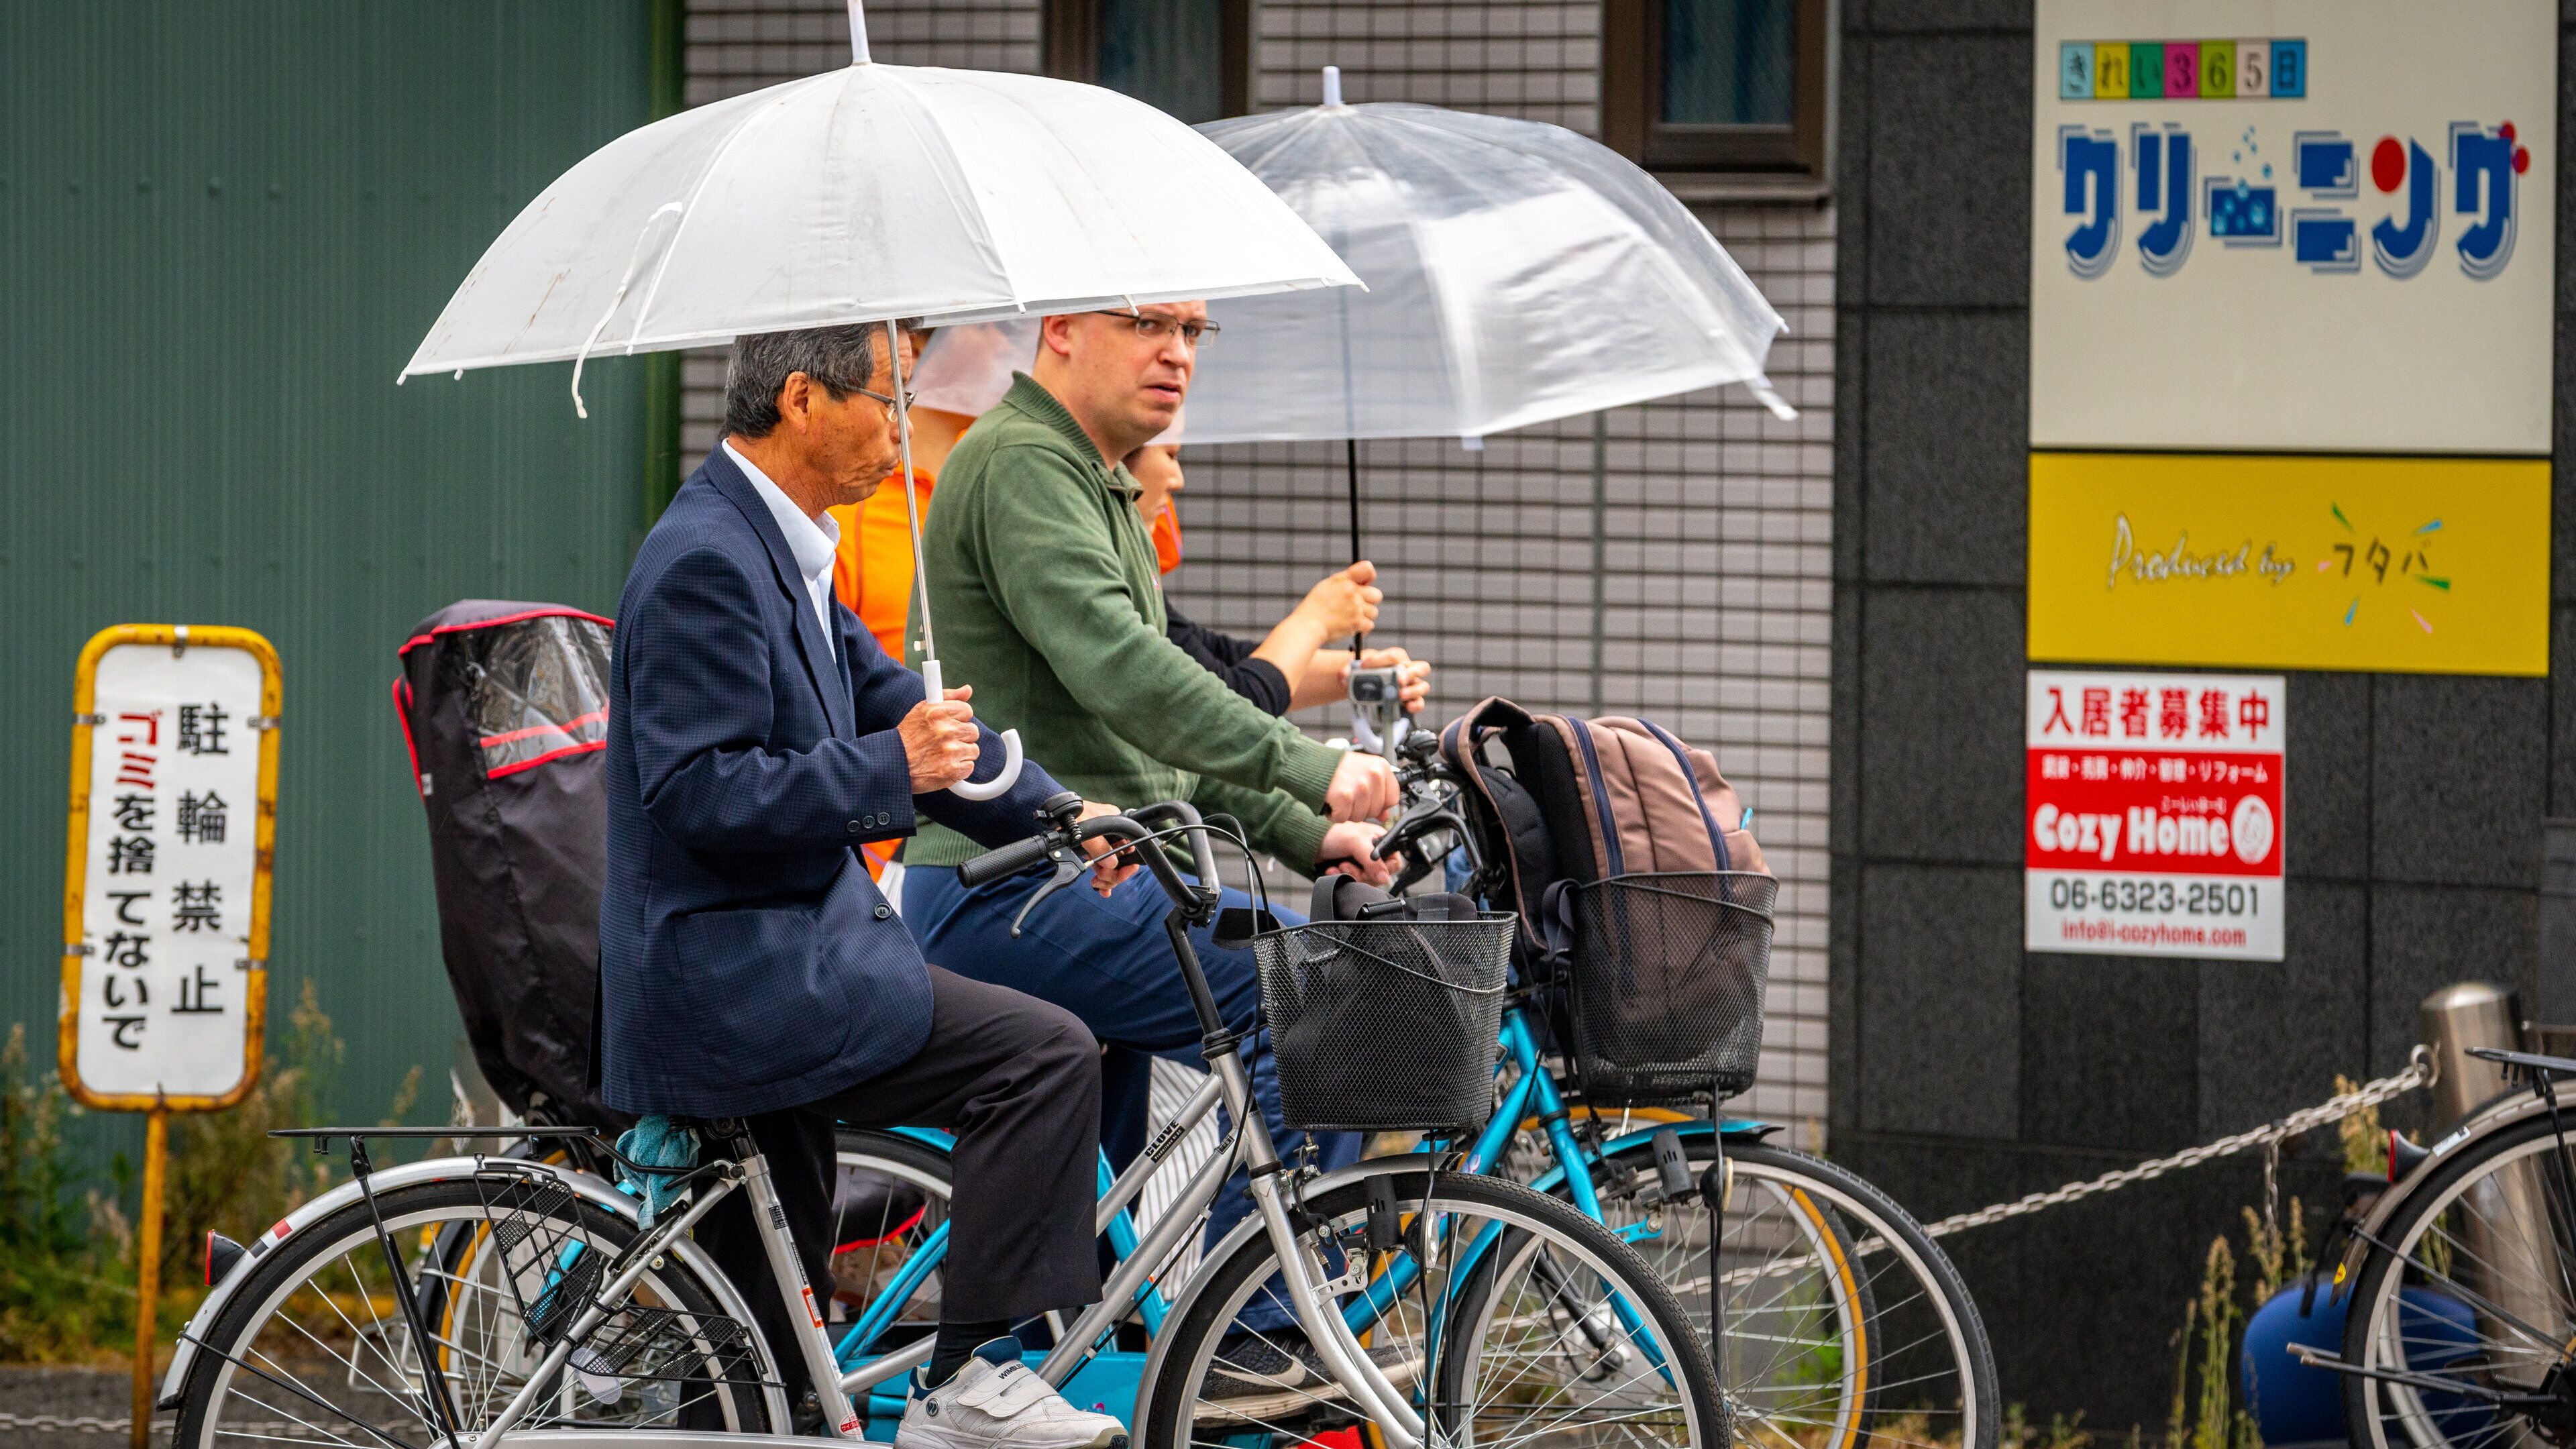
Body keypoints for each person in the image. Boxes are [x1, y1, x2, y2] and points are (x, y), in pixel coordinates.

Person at [598, 321, 1134, 1449]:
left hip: (775, 956)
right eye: (887, 401)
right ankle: (977, 1375)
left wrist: (1058, 812)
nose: (904, 426)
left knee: (757, 1359)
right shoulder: (710, 556)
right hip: (741, 974)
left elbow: (895, 703)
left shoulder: (782, 542)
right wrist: (895, 768)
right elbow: (700, 791)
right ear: (802, 399)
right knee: (1043, 1057)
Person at [898, 303, 1402, 1381]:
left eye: (1195, 332)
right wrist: (1310, 767)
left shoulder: (1099, 478)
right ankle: (1258, 1344)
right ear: (1066, 329)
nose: (1178, 353)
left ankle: (1055, 1363)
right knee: (1316, 1006)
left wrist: (1309, 833)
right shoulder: (1026, 465)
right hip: (1011, 889)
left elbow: (1156, 749)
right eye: (1149, 324)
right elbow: (1124, 671)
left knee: (1082, 1220)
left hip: (1089, 881)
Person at [1122, 441, 1431, 718]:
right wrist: (1315, 621)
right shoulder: (1116, 574)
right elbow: (1233, 709)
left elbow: (1216, 659)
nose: (1179, 479)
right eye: (1172, 455)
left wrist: (1361, 672)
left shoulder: (1135, 571)